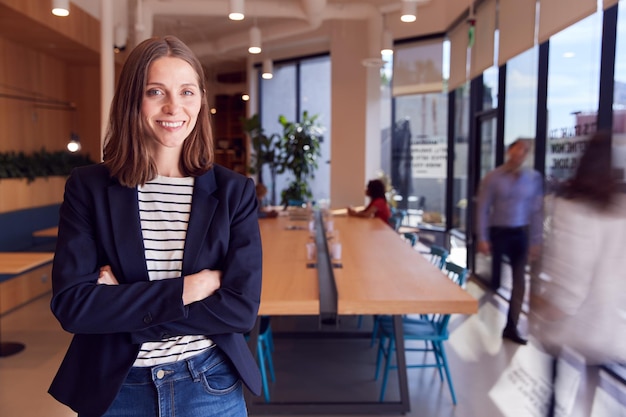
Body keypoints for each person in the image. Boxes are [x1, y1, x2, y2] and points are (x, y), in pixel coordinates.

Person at [48, 36, 263, 417]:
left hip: (208, 384)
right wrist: (190, 288)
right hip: (118, 388)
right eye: (155, 91)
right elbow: (74, 307)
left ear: (200, 99)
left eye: (186, 91)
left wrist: (123, 306)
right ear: (133, 99)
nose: (173, 107)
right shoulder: (88, 188)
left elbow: (240, 311)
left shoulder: (235, 192)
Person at [529, 132, 626, 415]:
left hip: (570, 320)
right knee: (592, 391)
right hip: (606, 320)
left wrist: (546, 307)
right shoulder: (621, 211)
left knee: (554, 393)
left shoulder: (571, 210)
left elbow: (571, 276)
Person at [476, 139, 543, 345]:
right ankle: (488, 296)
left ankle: (511, 326)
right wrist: (482, 237)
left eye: (524, 152)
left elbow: (536, 211)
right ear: (509, 152)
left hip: (520, 233)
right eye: (517, 150)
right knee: (495, 280)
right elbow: (483, 208)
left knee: (519, 281)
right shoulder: (493, 178)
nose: (520, 155)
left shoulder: (533, 179)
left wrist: (535, 240)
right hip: (499, 233)